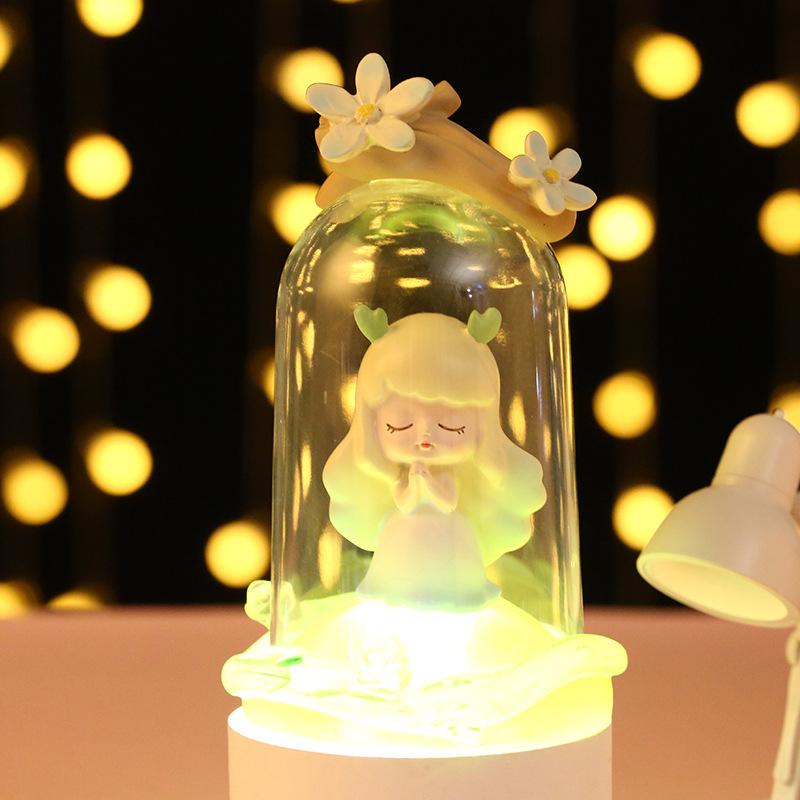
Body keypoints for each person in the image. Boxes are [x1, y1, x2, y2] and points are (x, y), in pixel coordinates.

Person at [322, 305, 547, 611]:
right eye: (398, 425)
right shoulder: (400, 476)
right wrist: (412, 486)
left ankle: (458, 597)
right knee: (395, 572)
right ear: (371, 424)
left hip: (448, 536)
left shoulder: (447, 478)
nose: (424, 436)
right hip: (403, 536)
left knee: (453, 582)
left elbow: (447, 501)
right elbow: (403, 500)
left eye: (451, 427)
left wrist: (427, 484)